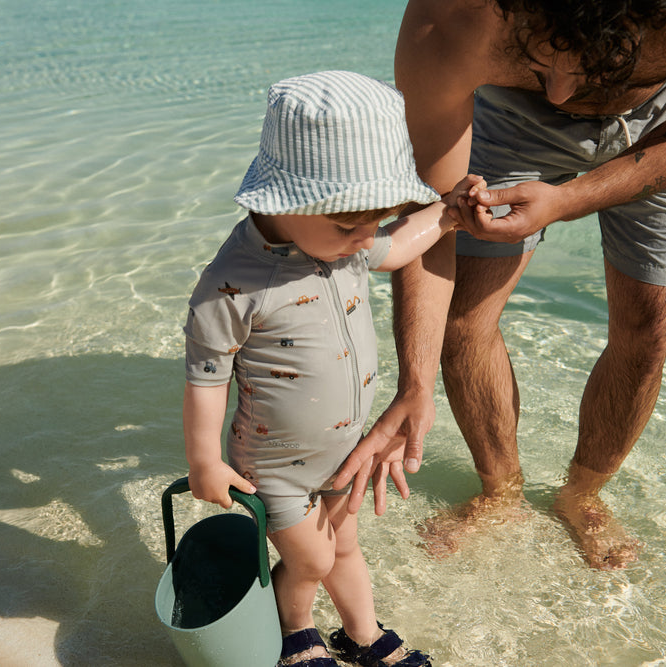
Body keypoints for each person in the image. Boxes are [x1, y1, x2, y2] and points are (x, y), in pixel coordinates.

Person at [334, 0, 666, 569]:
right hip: (505, 120)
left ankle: (583, 494)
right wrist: (414, 384)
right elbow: (432, 216)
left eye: (591, 66)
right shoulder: (449, 18)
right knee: (461, 323)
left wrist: (568, 201)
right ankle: (501, 492)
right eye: (537, 59)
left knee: (648, 329)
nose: (559, 94)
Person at [183, 70, 482, 667]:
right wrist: (204, 461)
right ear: (287, 202)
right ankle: (296, 631)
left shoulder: (343, 237)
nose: (364, 239)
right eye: (351, 226)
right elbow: (206, 378)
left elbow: (398, 247)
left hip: (344, 451)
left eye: (372, 221)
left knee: (344, 546)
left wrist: (446, 217)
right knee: (313, 559)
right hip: (276, 467)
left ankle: (361, 634)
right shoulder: (233, 285)